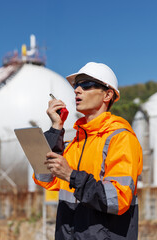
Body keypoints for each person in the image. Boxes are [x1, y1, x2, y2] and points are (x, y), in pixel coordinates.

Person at [33, 62, 143, 240]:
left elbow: (118, 199)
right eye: (76, 85)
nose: (77, 90)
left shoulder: (121, 138)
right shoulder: (77, 141)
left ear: (107, 94)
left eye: (85, 84)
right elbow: (44, 178)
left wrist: (71, 175)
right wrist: (55, 128)